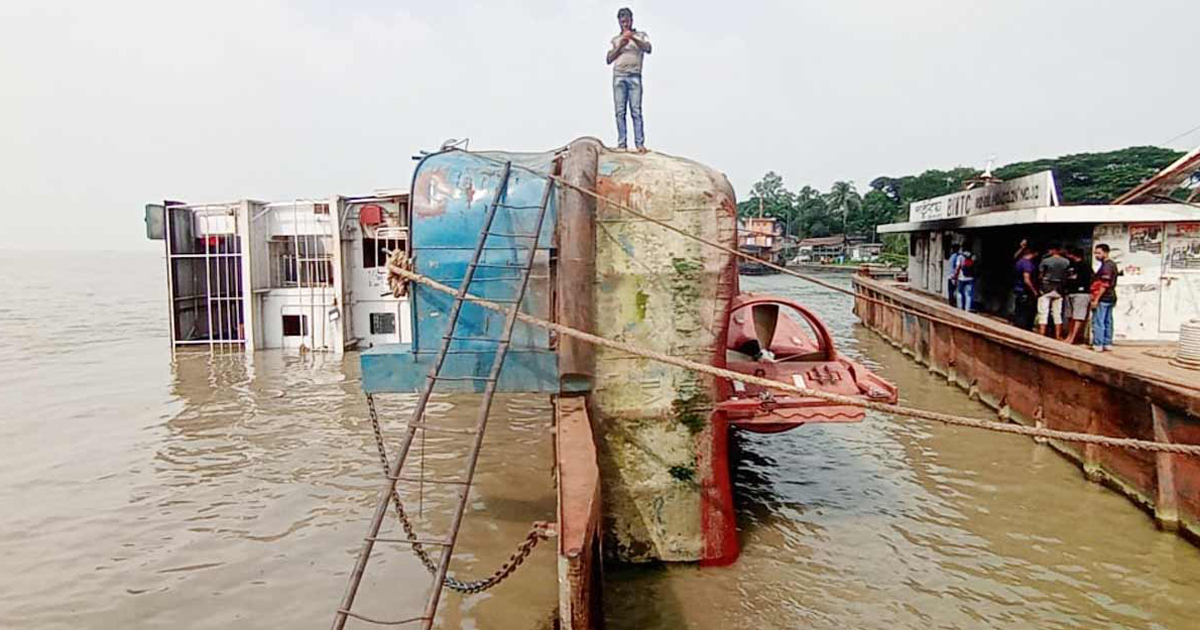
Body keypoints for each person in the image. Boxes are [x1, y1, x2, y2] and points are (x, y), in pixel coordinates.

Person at [606, 8, 651, 153]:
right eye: (622, 22)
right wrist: (621, 44)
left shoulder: (641, 35)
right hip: (619, 76)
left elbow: (648, 48)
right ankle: (622, 143)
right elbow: (609, 58)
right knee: (620, 111)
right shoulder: (616, 40)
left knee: (636, 111)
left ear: (632, 20)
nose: (624, 24)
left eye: (626, 21)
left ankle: (639, 144)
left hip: (634, 76)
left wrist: (632, 38)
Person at [1036, 243, 1070, 337]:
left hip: (1046, 288)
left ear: (1053, 250)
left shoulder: (1045, 261)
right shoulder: (1066, 262)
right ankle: (1058, 335)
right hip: (1059, 289)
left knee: (1043, 312)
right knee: (1057, 313)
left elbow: (1040, 275)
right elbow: (1067, 275)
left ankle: (1041, 334)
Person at [1060, 247, 1092, 344]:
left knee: (1078, 316)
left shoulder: (1085, 266)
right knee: (1070, 316)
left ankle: (1073, 337)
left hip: (1081, 293)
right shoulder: (1070, 265)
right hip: (1070, 292)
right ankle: (1069, 335)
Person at [1090, 243, 1119, 352]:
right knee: (1107, 320)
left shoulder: (1107, 266)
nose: (1096, 255)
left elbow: (1104, 284)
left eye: (1099, 253)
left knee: (1099, 321)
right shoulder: (1111, 265)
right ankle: (1107, 342)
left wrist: (1096, 299)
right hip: (1110, 297)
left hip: (1103, 297)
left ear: (1106, 253)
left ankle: (1098, 343)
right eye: (1095, 253)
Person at [1012, 244, 1039, 330]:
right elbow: (1026, 280)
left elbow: (1015, 256)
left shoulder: (1019, 261)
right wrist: (1034, 291)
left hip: (1018, 289)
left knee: (1019, 310)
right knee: (1025, 312)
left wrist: (1021, 247)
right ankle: (1022, 328)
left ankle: (1017, 326)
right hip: (1025, 291)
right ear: (1033, 254)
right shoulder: (1028, 264)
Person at [955, 248, 977, 312]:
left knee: (959, 292)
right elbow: (975, 267)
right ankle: (967, 309)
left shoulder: (960, 256)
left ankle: (960, 307)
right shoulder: (973, 256)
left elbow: (958, 267)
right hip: (970, 278)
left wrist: (955, 275)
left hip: (961, 277)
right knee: (969, 294)